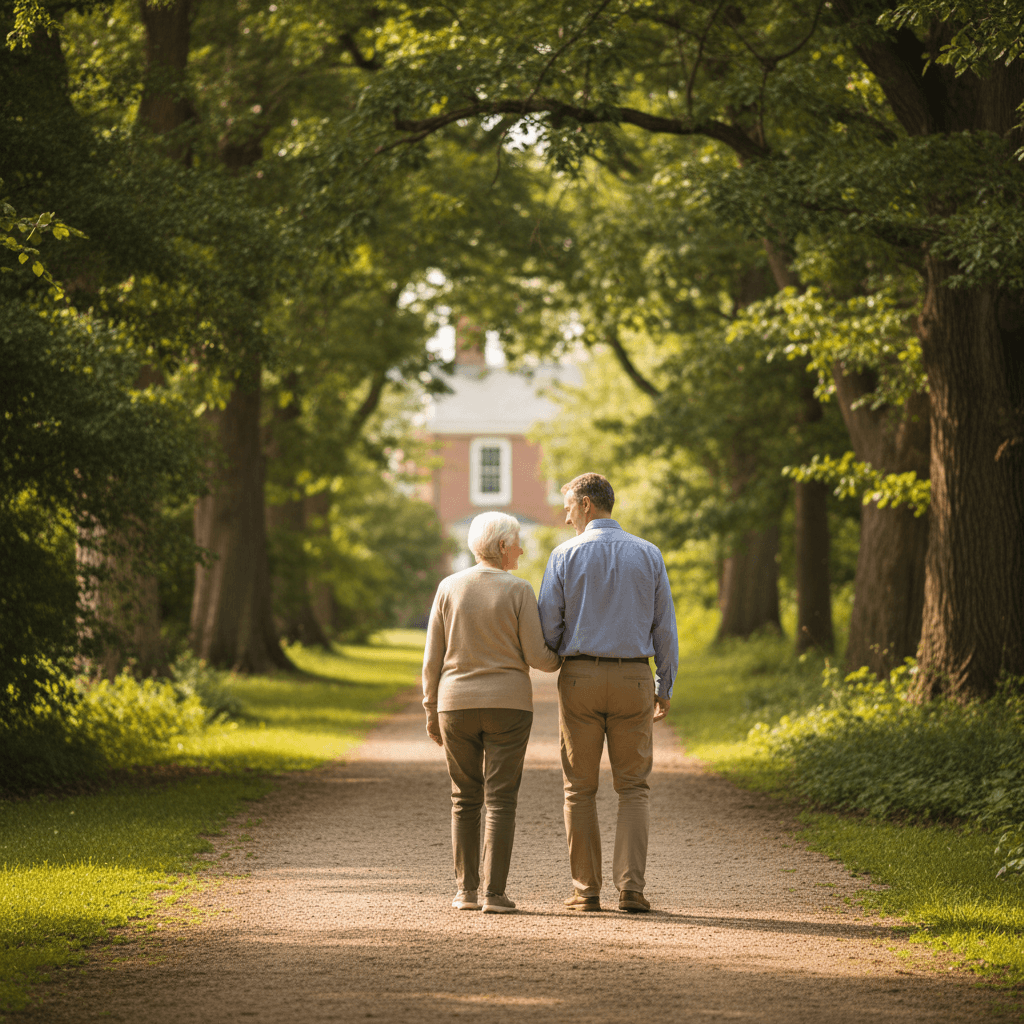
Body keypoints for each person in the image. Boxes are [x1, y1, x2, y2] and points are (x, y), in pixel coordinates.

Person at [538, 472, 678, 913]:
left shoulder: (563, 556)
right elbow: (665, 629)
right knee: (633, 787)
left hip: (579, 677)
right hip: (634, 678)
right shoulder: (649, 554)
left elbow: (548, 626)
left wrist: (565, 649)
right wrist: (665, 684)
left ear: (585, 504)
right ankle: (631, 889)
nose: (565, 519)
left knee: (579, 789)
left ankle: (586, 890)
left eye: (567, 508)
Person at [422, 511, 561, 914]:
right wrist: (564, 655)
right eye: (517, 541)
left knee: (464, 799)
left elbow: (433, 659)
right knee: (500, 800)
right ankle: (494, 895)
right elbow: (538, 656)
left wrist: (431, 709)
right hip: (509, 706)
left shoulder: (448, 588)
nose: (520, 548)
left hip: (455, 706)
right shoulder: (518, 590)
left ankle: (464, 892)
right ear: (502, 547)